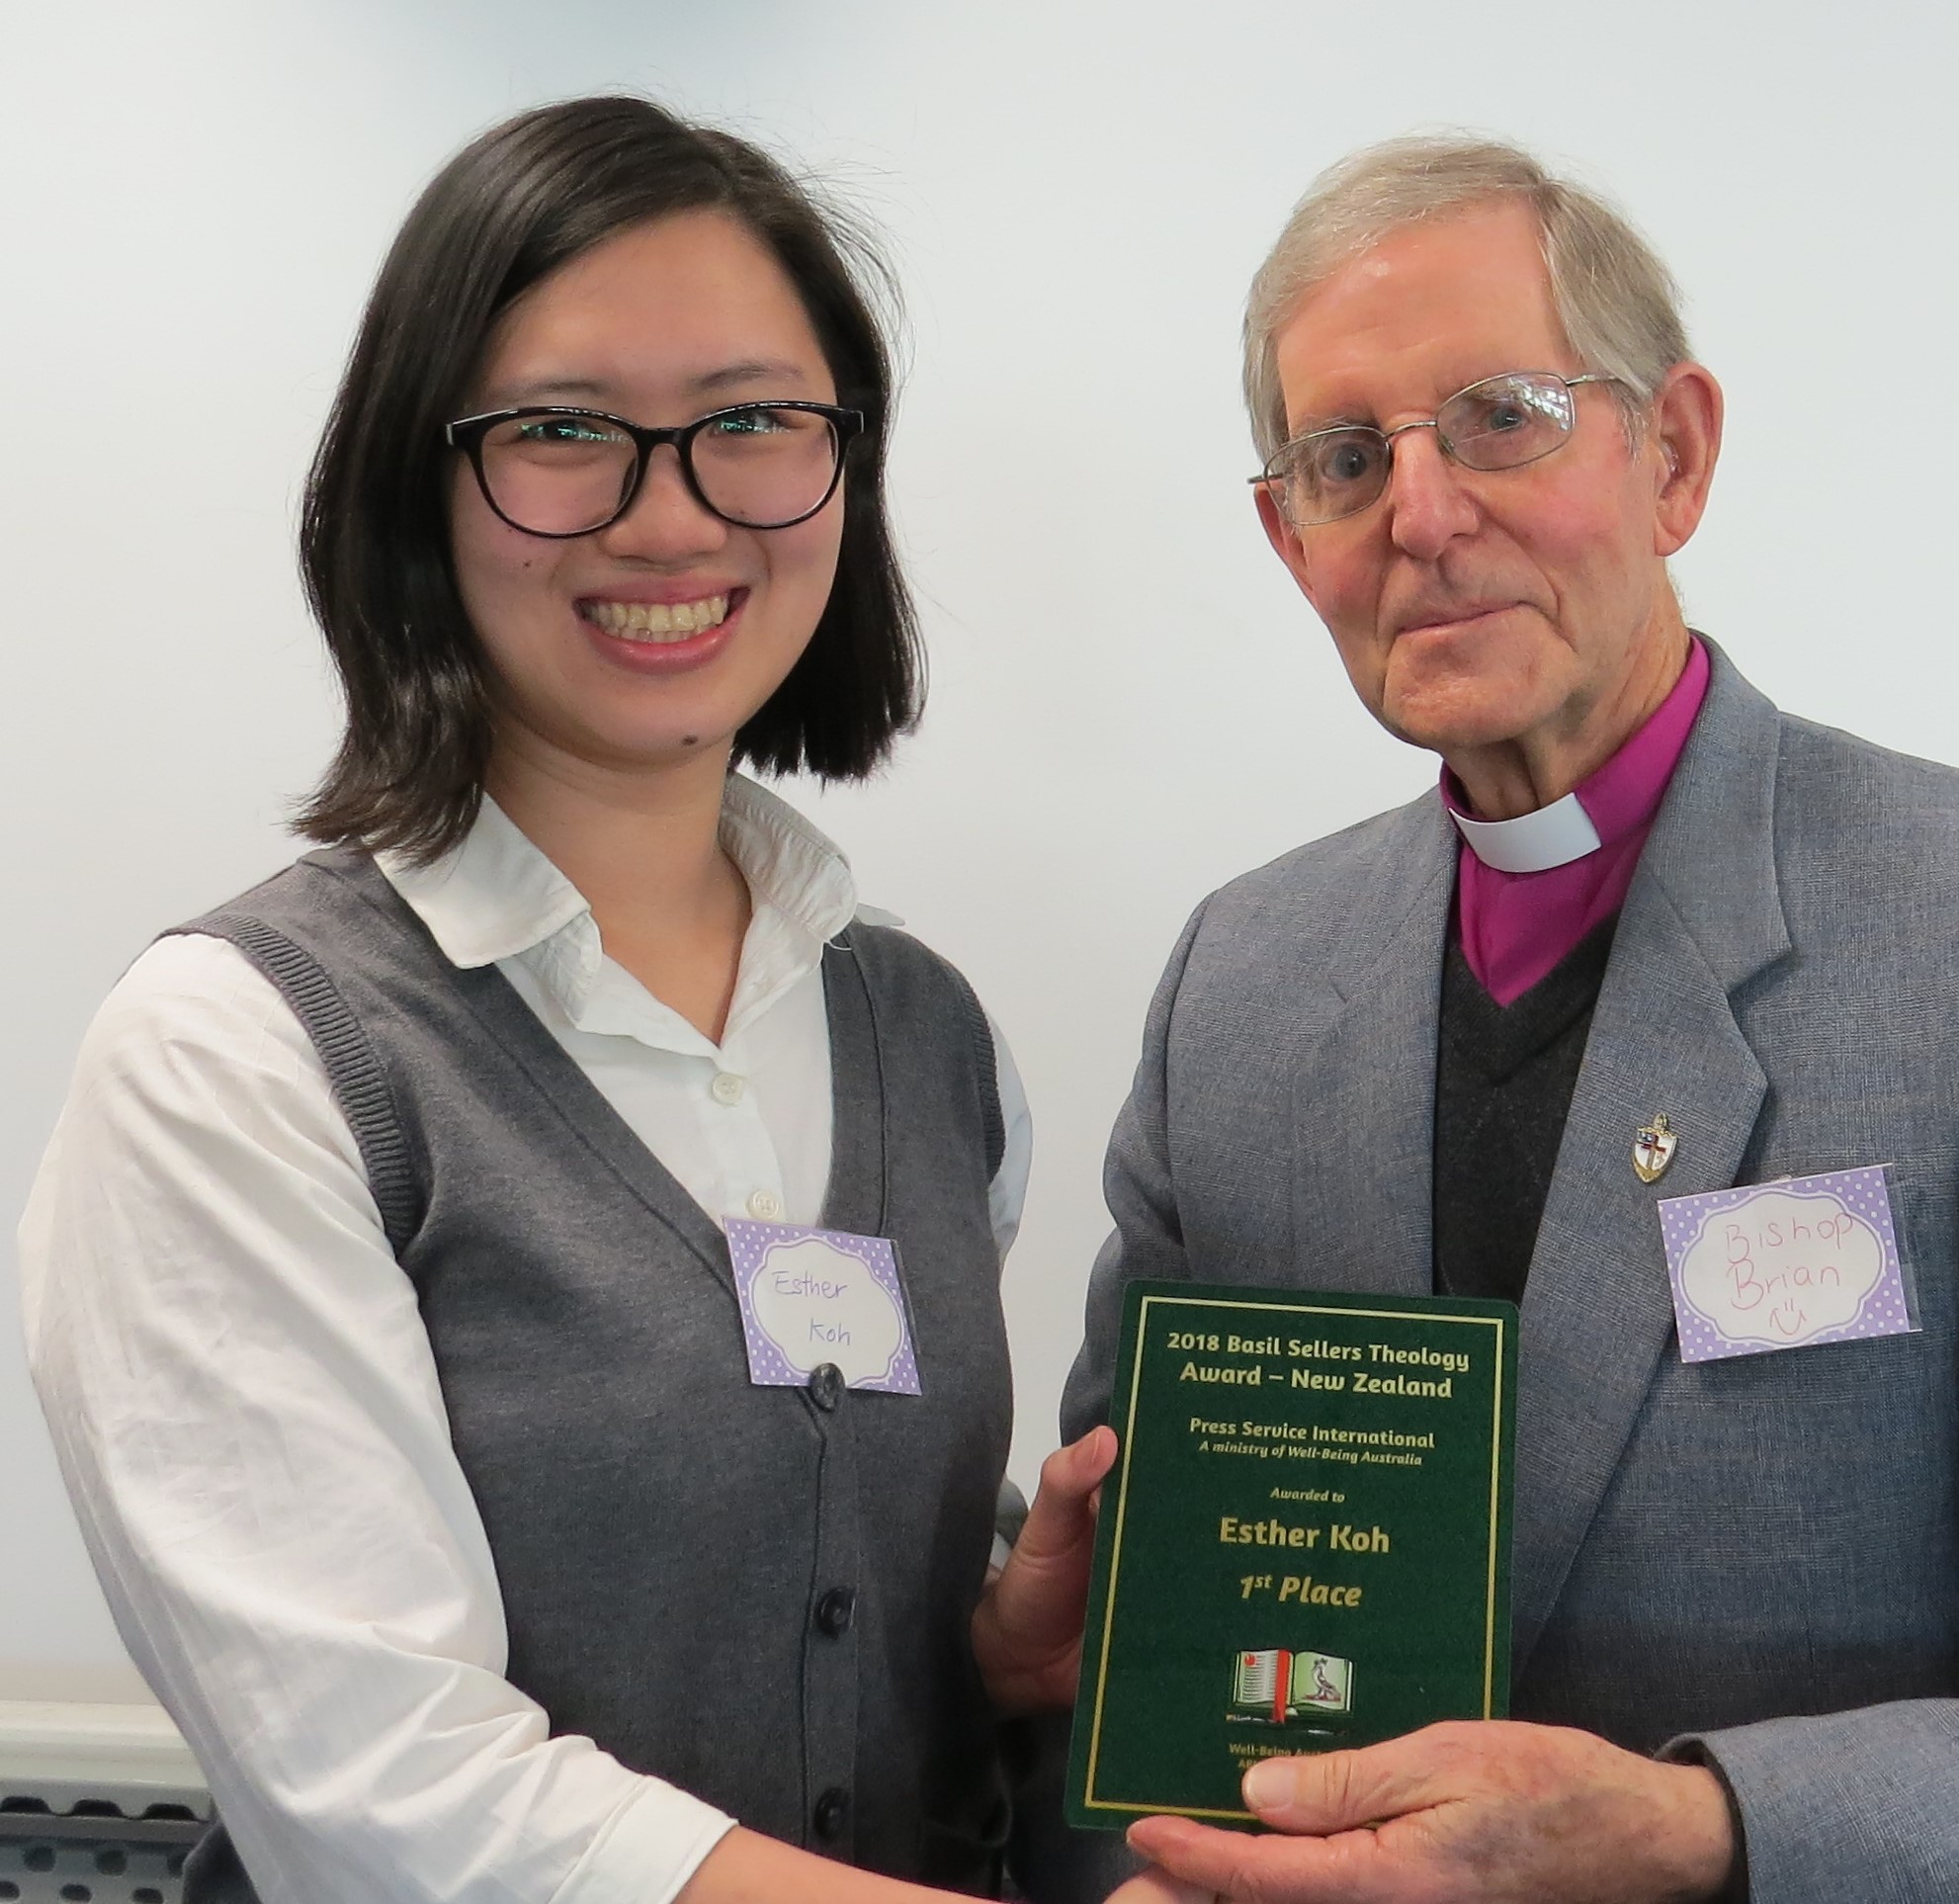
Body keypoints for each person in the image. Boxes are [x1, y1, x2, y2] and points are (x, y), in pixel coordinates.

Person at [1064, 135, 1959, 1902]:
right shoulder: (1236, 981)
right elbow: (1122, 1686)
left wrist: (1701, 1831)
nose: (1423, 510)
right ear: (1285, 533)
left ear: (1673, 453)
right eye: (1344, 458)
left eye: (1500, 416)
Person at [18, 97, 1134, 1904]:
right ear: (415, 482)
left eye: (753, 422)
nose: (671, 513)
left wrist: (991, 1634)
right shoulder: (237, 1058)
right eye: (562, 431)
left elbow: (792, 1565)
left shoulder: (929, 1038)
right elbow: (389, 1794)